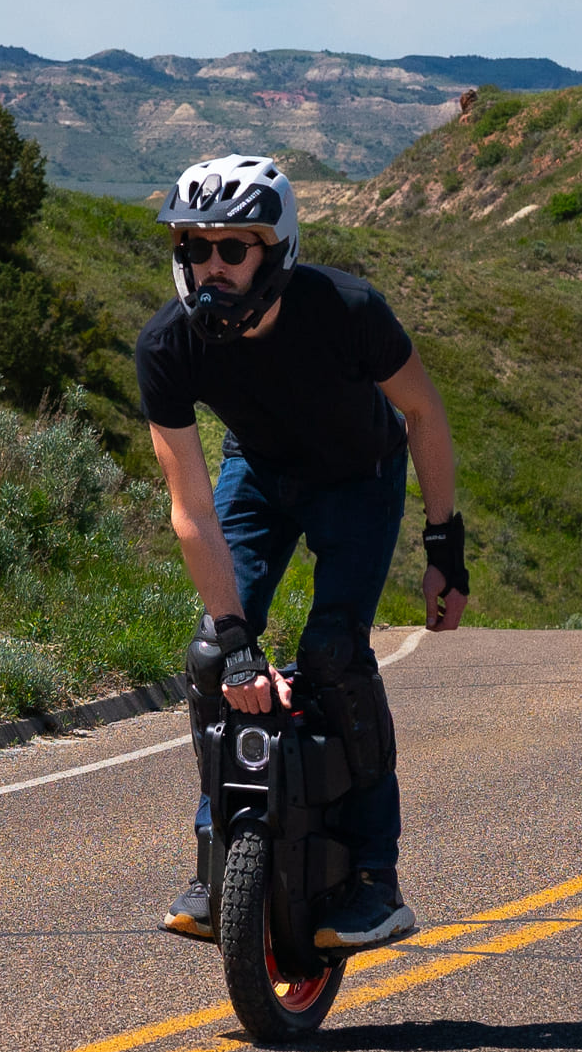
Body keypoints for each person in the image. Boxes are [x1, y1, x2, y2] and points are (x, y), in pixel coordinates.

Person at [135, 153, 469, 950]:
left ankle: (377, 883)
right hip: (259, 471)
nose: (209, 267)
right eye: (194, 248)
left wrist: (444, 544)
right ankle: (216, 863)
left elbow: (424, 415)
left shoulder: (349, 310)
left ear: (275, 249)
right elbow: (191, 509)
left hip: (361, 475)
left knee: (332, 652)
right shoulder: (167, 347)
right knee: (215, 658)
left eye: (232, 249)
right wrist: (237, 639)